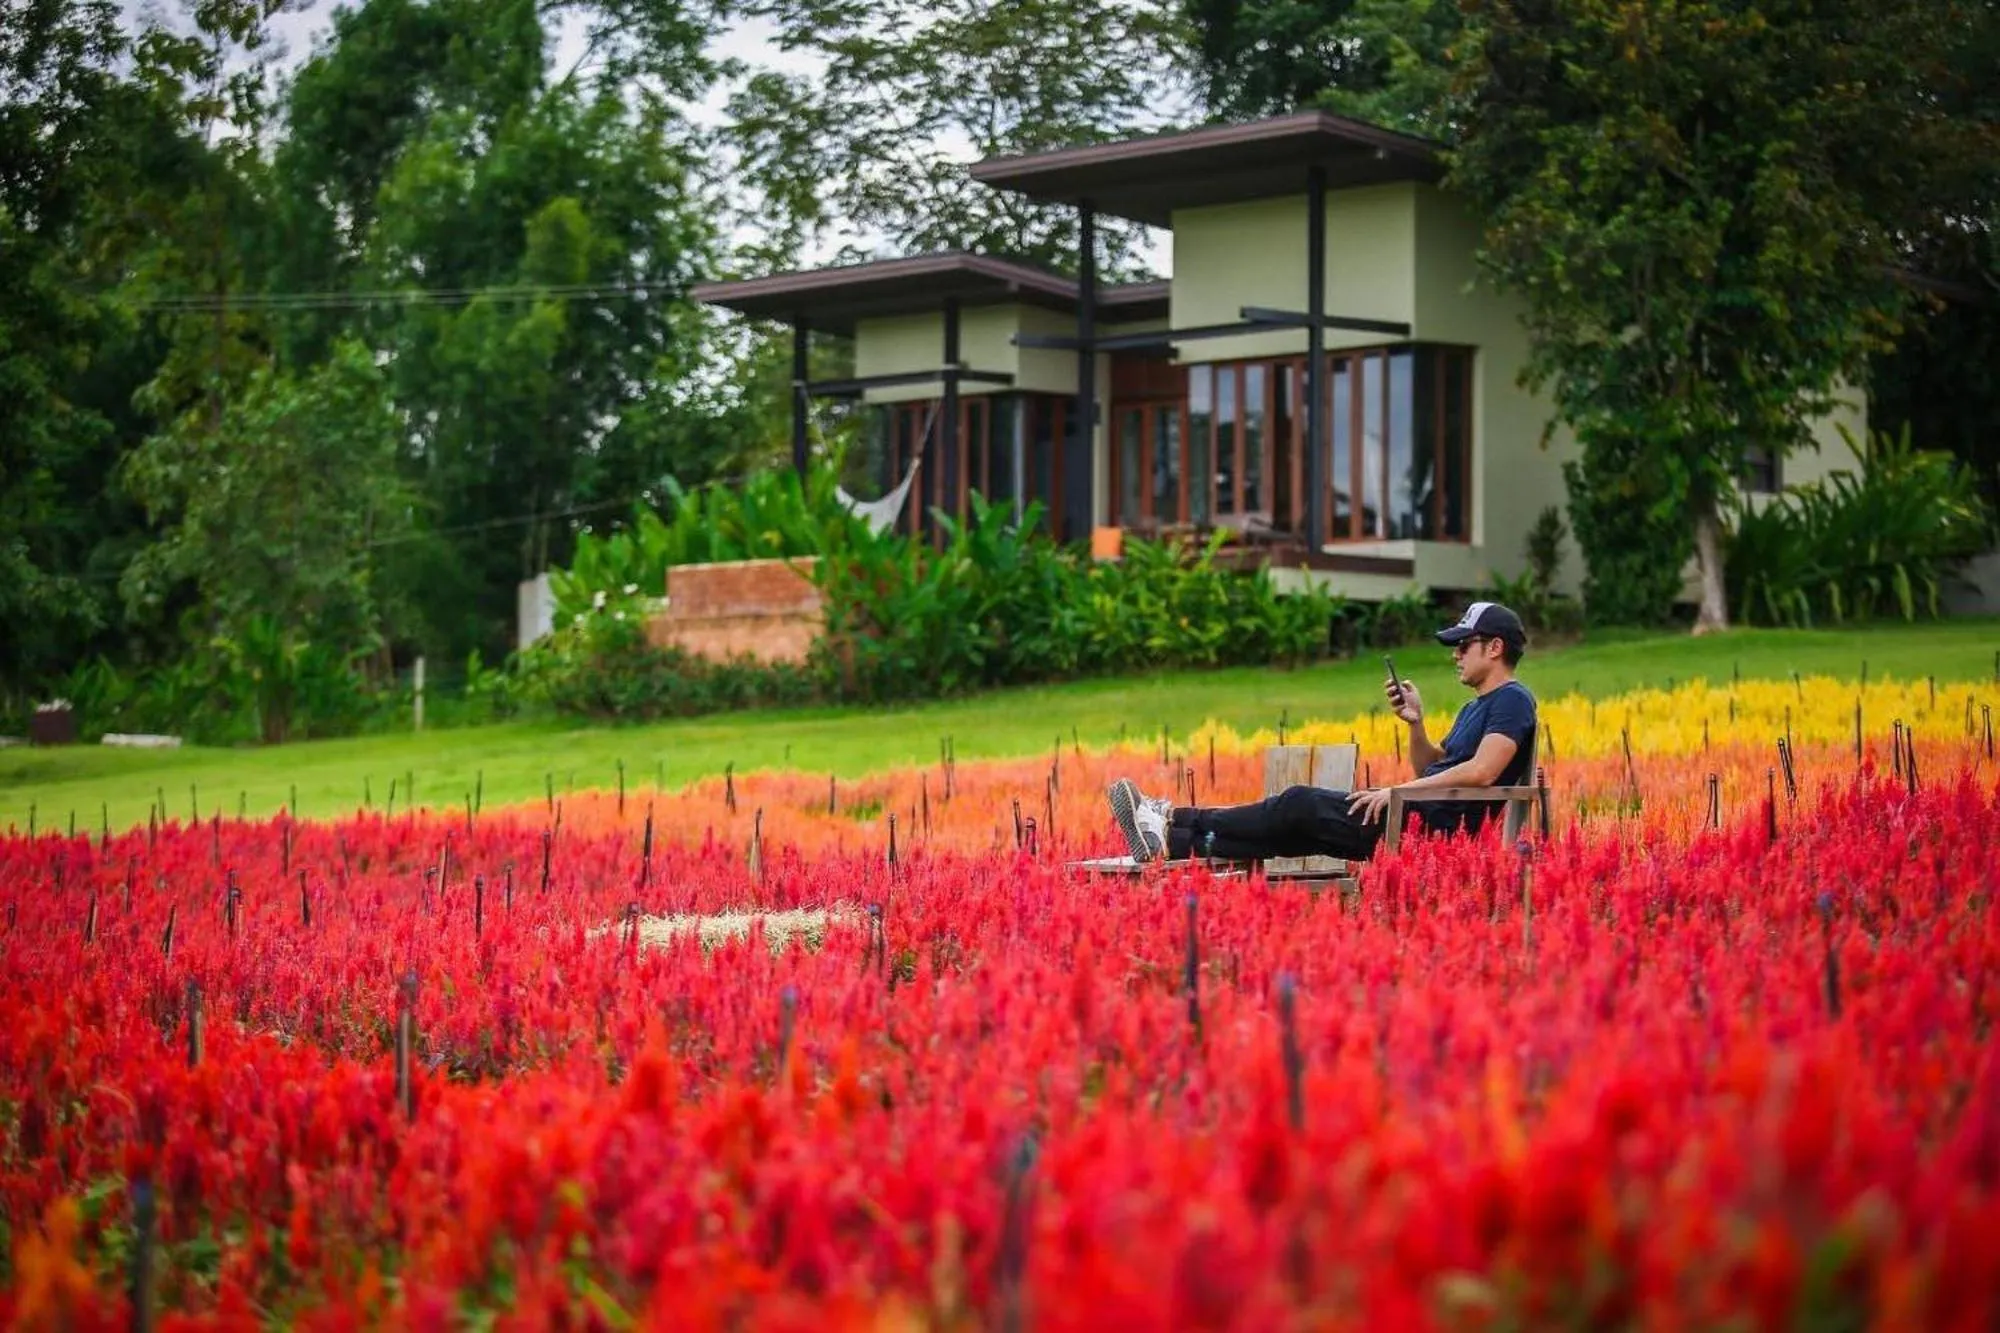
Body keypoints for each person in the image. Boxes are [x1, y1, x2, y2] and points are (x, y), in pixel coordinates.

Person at [1105, 602, 1539, 863]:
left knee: (1299, 804)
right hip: (1413, 815)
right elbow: (1435, 766)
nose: (1455, 655)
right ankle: (1171, 840)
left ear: (1495, 647)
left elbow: (1483, 773)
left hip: (1431, 832)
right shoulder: (1474, 707)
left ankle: (1172, 818)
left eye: (1463, 645)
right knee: (1292, 832)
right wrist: (1416, 724)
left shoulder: (1513, 700)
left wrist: (1396, 791)